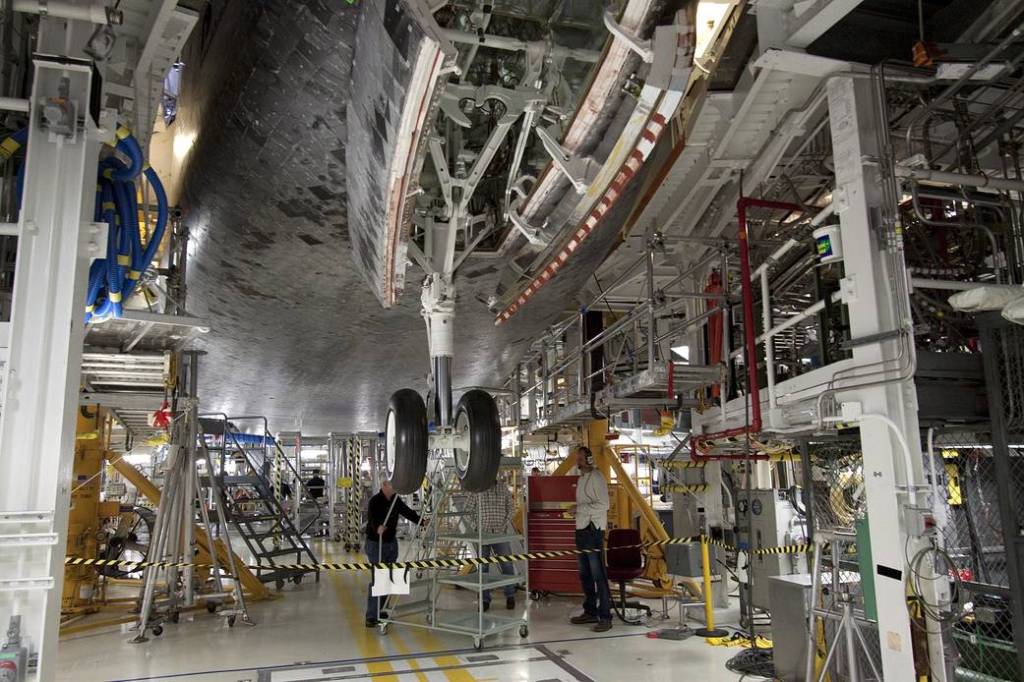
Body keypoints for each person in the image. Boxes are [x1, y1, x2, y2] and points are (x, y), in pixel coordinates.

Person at [364, 480, 422, 627]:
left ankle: (381, 610)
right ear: (384, 486)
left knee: (389, 577)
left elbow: (407, 512)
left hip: (390, 543)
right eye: (392, 485)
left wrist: (421, 521)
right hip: (376, 543)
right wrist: (378, 527)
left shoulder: (396, 499)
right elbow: (372, 518)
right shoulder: (375, 501)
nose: (395, 488)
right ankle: (371, 616)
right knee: (378, 578)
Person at [570, 445, 612, 632]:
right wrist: (577, 512)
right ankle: (590, 611)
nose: (578, 462)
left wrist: (579, 510)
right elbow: (585, 504)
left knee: (598, 575)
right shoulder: (582, 479)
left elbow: (604, 505)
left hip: (593, 531)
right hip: (581, 530)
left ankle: (605, 616)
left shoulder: (597, 477)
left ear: (589, 459)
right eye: (577, 458)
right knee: (585, 574)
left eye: (580, 458)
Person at [464, 478, 517, 611]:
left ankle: (510, 596)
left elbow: (511, 507)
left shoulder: (502, 488)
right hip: (483, 535)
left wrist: (504, 525)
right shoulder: (476, 489)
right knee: (483, 568)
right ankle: (484, 600)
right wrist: (476, 526)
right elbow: (467, 510)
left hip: (500, 534)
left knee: (507, 565)